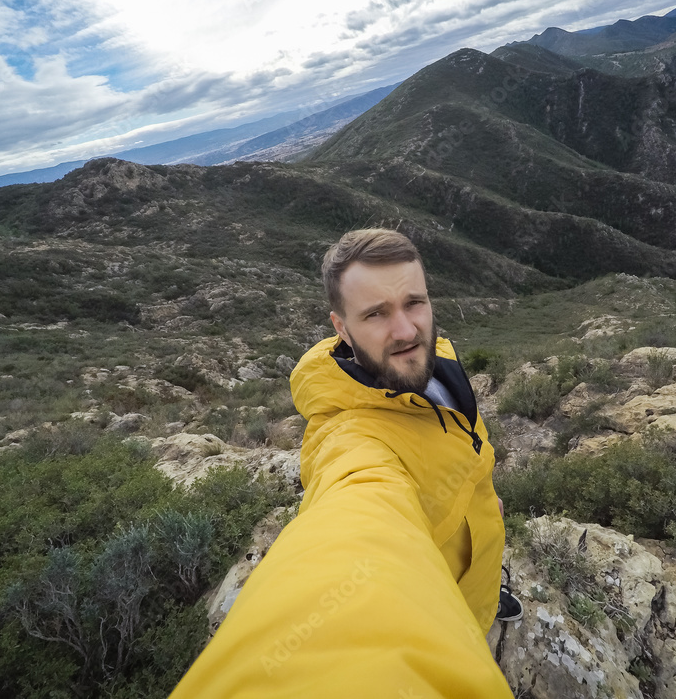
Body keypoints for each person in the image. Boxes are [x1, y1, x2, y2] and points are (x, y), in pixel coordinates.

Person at [168, 228, 520, 699]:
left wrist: (482, 497)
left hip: (477, 550)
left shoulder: (438, 358)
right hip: (435, 596)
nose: (406, 330)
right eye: (375, 313)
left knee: (479, 590)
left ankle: (487, 596)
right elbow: (357, 520)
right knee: (457, 623)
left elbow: (463, 443)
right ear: (342, 328)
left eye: (414, 302)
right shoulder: (351, 437)